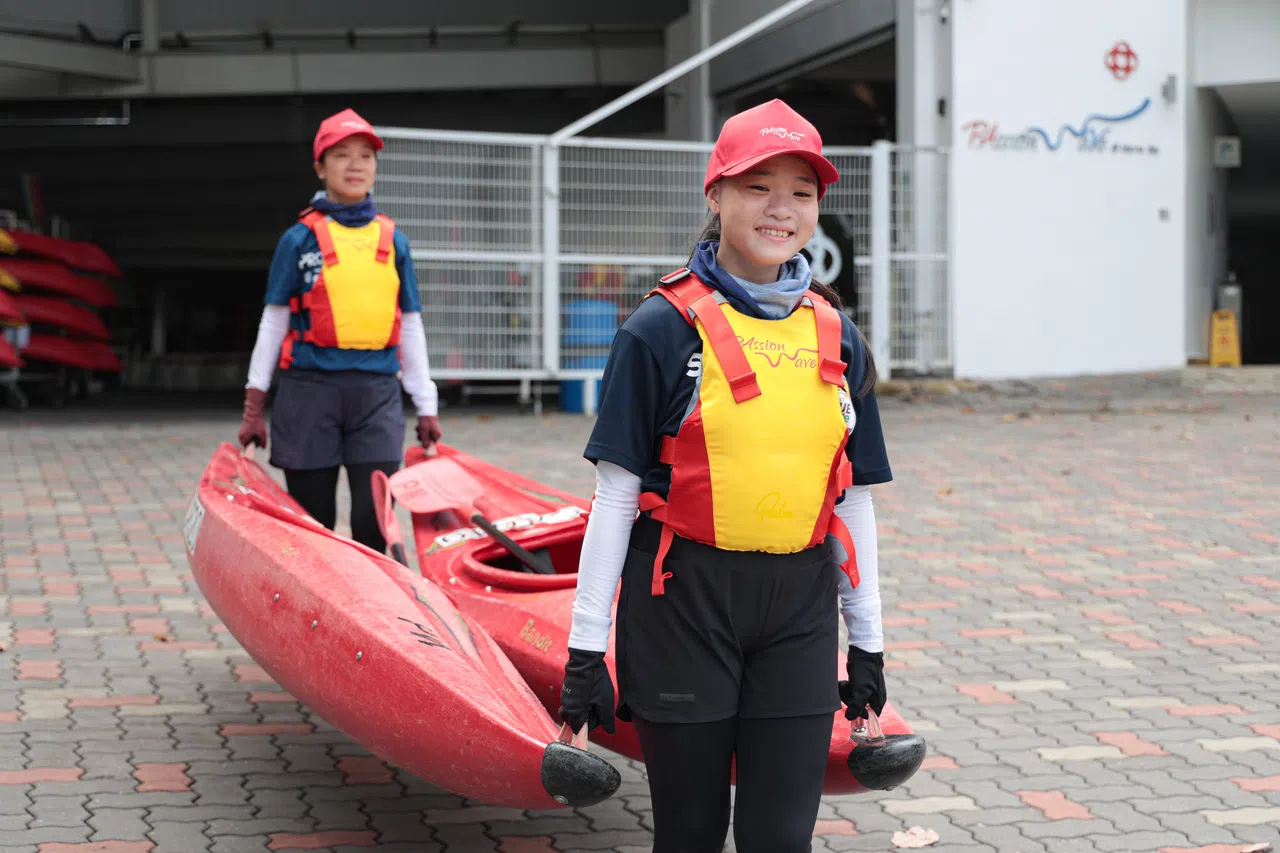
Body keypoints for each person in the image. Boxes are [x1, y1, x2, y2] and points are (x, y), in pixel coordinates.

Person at [557, 99, 891, 853]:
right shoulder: (658, 329)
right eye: (757, 186)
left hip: (800, 611)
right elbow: (614, 497)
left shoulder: (838, 336)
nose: (781, 208)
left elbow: (854, 501)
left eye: (801, 192)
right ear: (715, 195)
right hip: (683, 606)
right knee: (691, 835)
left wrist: (867, 642)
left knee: (781, 840)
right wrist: (585, 651)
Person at [237, 108, 441, 554]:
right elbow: (273, 322)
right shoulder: (298, 239)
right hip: (308, 395)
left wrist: (426, 406)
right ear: (320, 167)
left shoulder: (394, 240)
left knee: (374, 524)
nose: (355, 165)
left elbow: (410, 325)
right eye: (342, 155)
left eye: (365, 156)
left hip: (376, 397)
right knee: (314, 526)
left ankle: (376, 596)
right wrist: (254, 405)